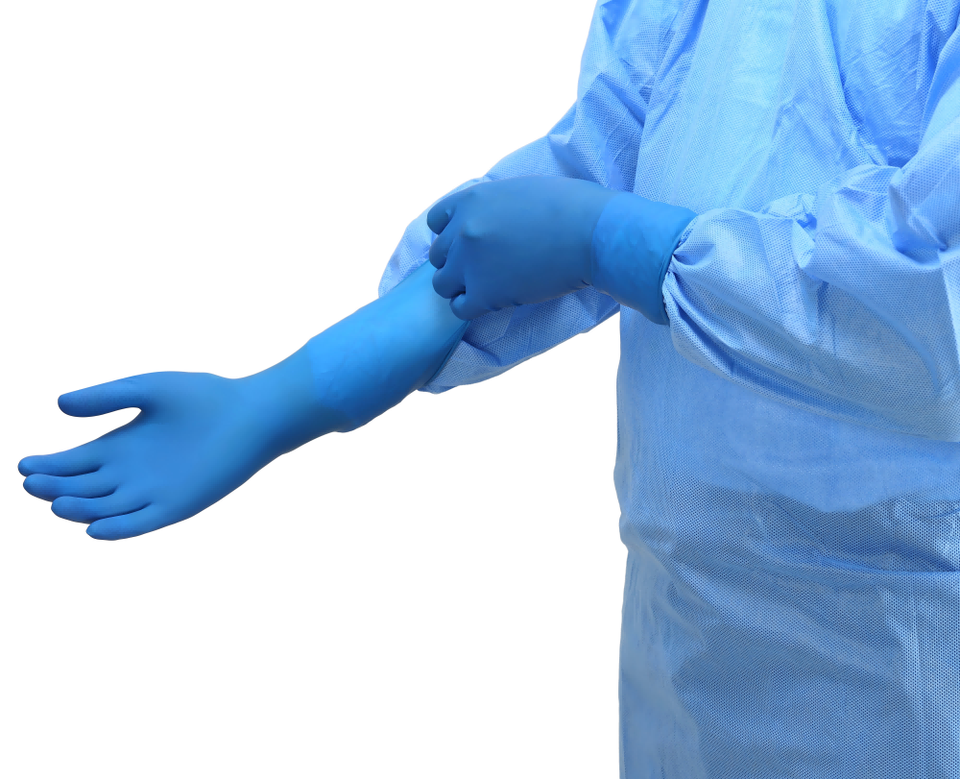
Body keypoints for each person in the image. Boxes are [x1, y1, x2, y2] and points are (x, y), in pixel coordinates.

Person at [18, 0, 960, 775]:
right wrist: (293, 389)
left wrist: (610, 240)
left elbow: (931, 294)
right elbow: (589, 173)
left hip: (906, 662)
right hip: (691, 637)